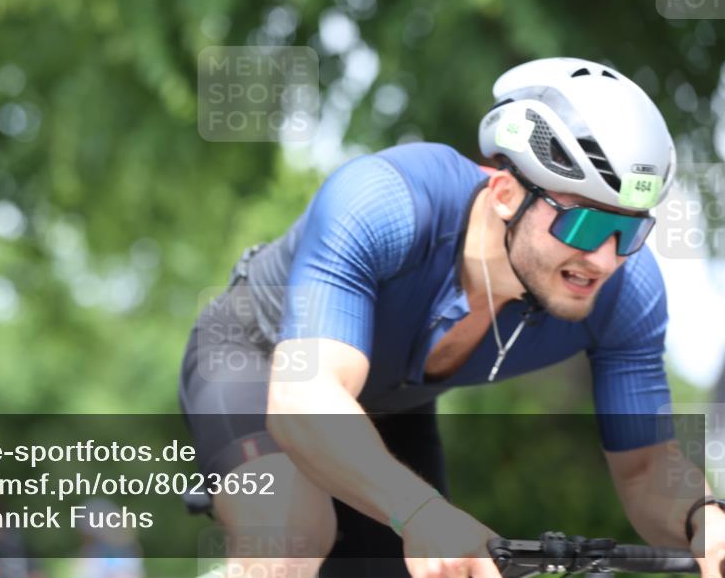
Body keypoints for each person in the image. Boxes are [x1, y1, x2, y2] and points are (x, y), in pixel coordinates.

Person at [178, 57, 725, 578]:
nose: (605, 258)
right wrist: (421, 512)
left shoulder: (627, 291)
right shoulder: (384, 201)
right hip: (265, 362)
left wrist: (706, 519)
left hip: (391, 404)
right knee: (291, 536)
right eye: (583, 226)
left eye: (629, 232)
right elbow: (304, 401)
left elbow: (647, 468)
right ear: (506, 193)